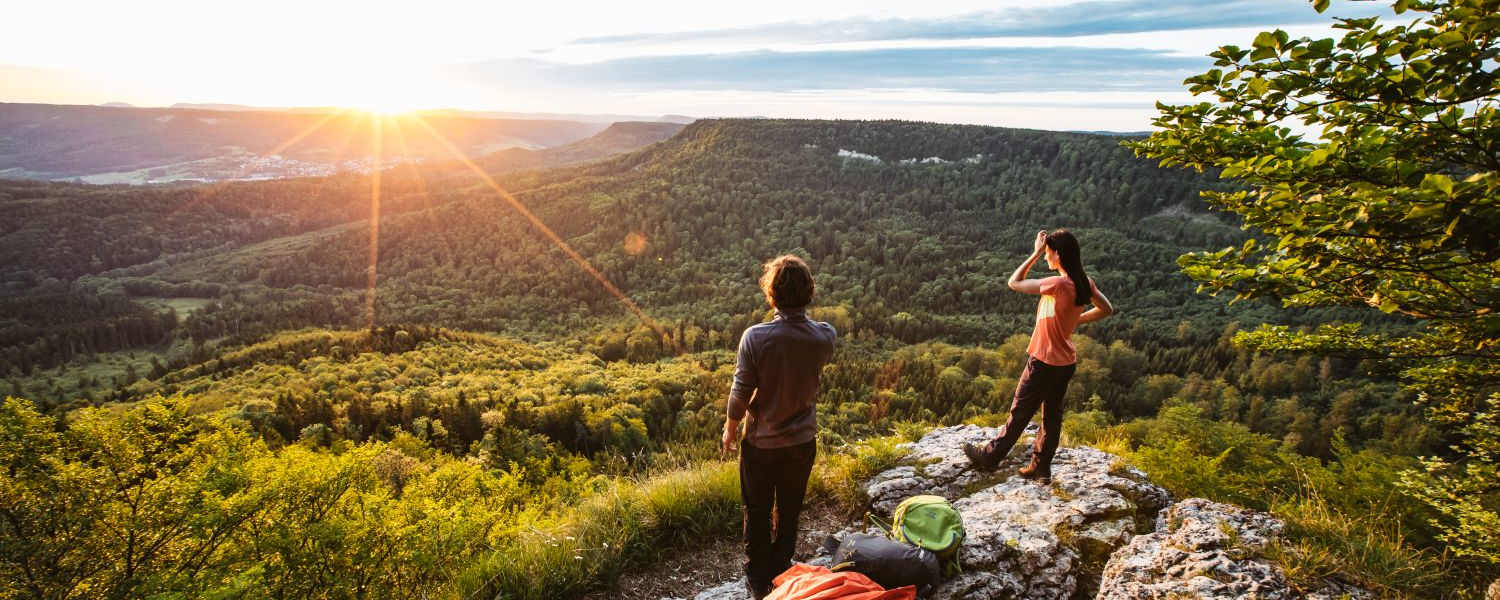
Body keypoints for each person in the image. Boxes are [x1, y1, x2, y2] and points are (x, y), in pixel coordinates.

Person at [722, 255, 837, 600]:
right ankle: (782, 567)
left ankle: (758, 578)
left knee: (756, 509)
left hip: (762, 442)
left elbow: (741, 390)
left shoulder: (755, 337)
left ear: (771, 293)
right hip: (802, 441)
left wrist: (730, 427)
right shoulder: (824, 337)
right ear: (809, 292)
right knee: (789, 508)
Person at [963, 229, 1114, 484]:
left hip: (1043, 360)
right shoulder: (1084, 282)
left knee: (1020, 411)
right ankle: (1041, 468)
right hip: (1065, 362)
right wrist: (1076, 320)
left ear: (1057, 255)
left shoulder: (1057, 285)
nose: (1045, 258)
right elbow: (1107, 309)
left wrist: (1033, 252)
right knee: (1052, 416)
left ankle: (990, 457)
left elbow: (1014, 282)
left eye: (1047, 254)